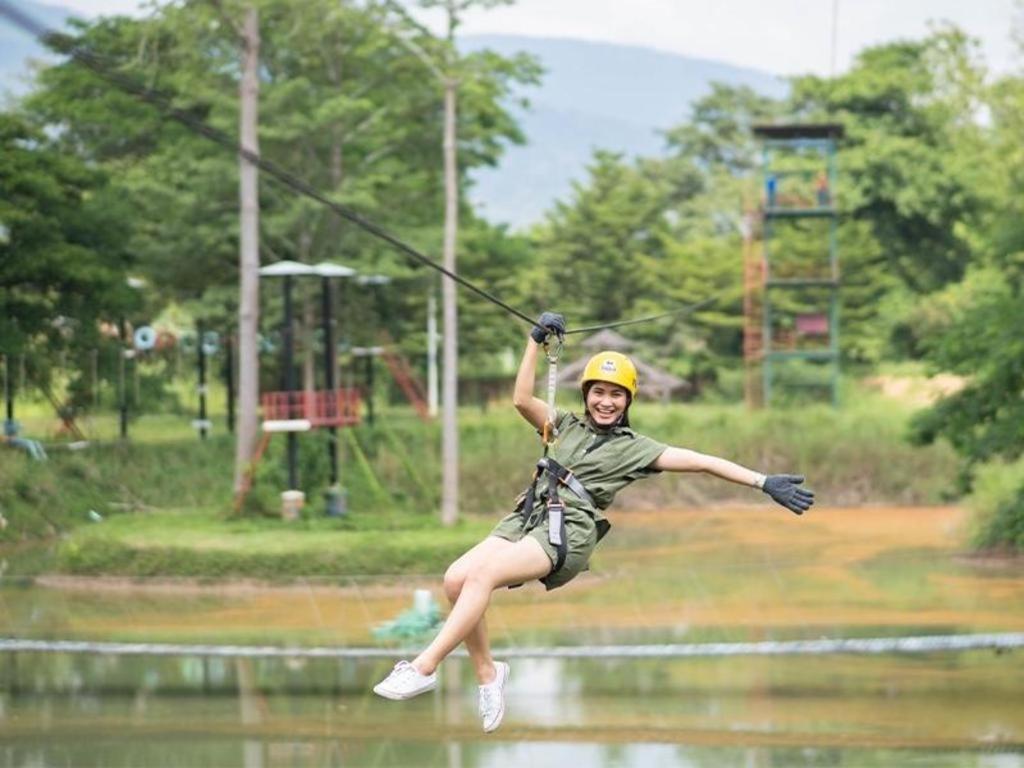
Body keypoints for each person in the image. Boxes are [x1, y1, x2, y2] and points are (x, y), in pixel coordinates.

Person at [372, 312, 814, 732]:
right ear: (586, 396)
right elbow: (521, 399)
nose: (605, 402)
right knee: (455, 580)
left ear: (627, 401)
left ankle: (423, 667)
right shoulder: (563, 426)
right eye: (598, 392)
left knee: (484, 575)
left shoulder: (636, 448)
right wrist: (534, 341)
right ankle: (489, 674)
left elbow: (701, 462)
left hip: (567, 533)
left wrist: (762, 482)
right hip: (527, 516)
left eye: (616, 394)